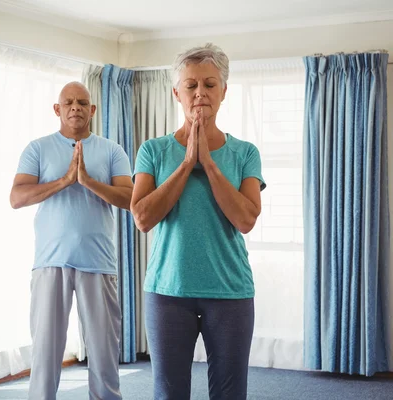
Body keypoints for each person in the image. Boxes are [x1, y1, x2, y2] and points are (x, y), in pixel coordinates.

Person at [130, 43, 266, 399]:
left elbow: (247, 218)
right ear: (177, 92)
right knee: (169, 392)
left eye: (209, 84)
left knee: (229, 392)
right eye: (191, 85)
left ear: (224, 91)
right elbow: (142, 217)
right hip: (167, 291)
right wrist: (187, 163)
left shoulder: (245, 153)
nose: (200, 93)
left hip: (230, 292)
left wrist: (208, 163)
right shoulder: (154, 151)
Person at [9, 81, 133, 400]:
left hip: (98, 262)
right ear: (58, 109)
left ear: (92, 110)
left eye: (82, 102)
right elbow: (17, 197)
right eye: (68, 102)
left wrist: (88, 181)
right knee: (46, 354)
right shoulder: (37, 148)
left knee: (105, 353)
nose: (75, 107)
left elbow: (130, 197)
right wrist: (64, 180)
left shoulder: (111, 150)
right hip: (51, 262)